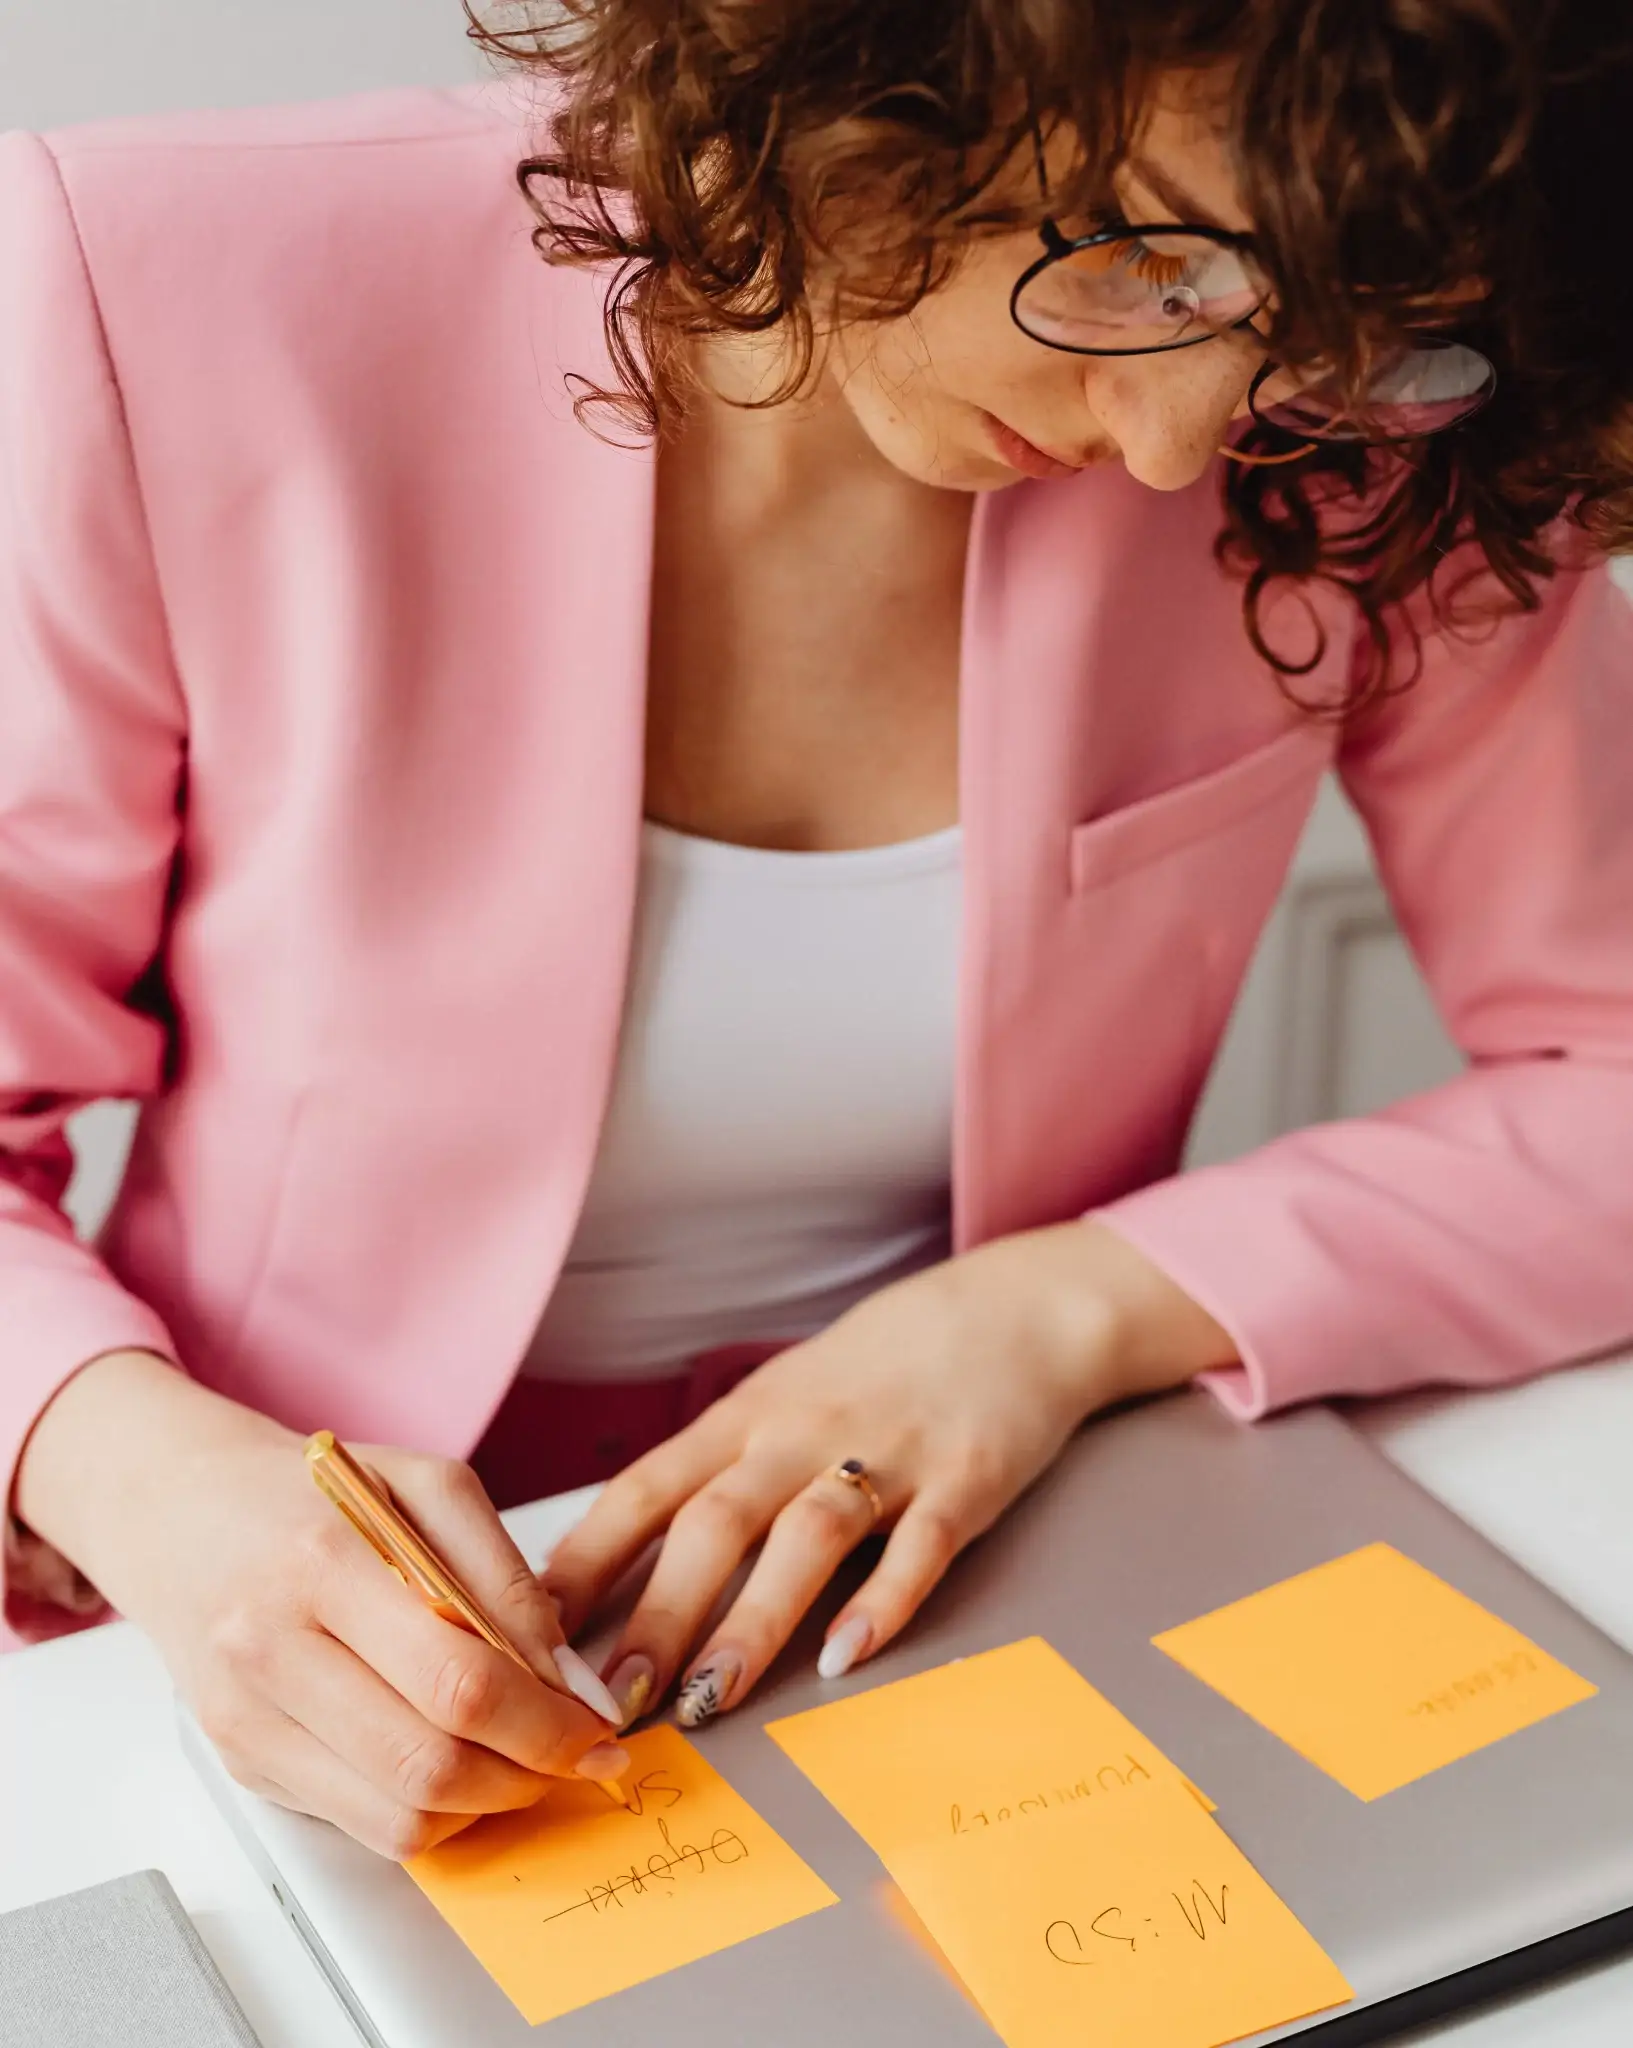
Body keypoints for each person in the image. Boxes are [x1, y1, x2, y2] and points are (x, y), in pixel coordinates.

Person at [4, 0, 1632, 1861]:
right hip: (297, 1652)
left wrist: (1060, 1313)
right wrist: (148, 1480)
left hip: (987, 1589)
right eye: (1147, 264)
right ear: (870, 61)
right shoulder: (155, 289)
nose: (1184, 452)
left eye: (1334, 347)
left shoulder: (1366, 418)